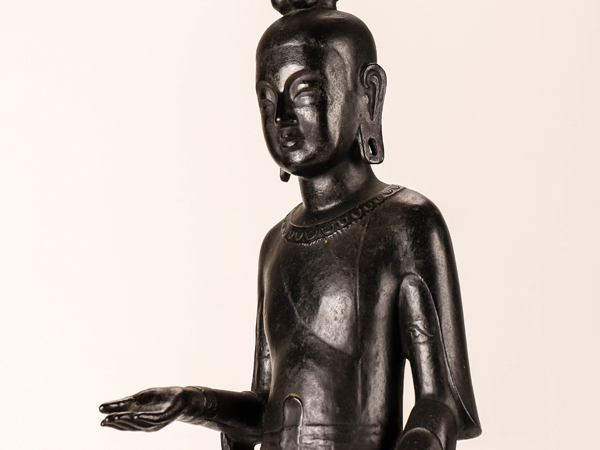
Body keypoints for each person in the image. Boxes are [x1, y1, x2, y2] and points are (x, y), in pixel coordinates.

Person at [99, 2, 481, 449]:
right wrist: (190, 402)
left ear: (368, 94)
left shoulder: (406, 223)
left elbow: (441, 403)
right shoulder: (275, 247)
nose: (282, 117)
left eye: (304, 92)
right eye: (267, 100)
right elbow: (265, 410)